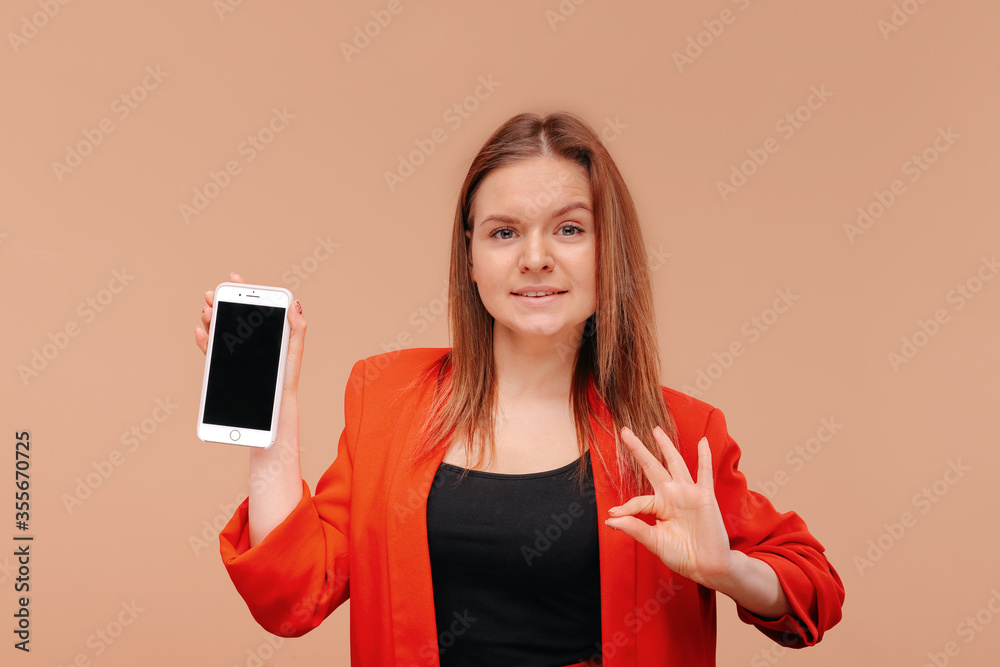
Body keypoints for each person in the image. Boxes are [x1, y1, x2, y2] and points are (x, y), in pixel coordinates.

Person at [195, 111, 845, 666]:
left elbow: (813, 585)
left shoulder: (676, 433)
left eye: (569, 228)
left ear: (607, 251)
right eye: (505, 232)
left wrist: (725, 569)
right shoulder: (385, 399)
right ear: (471, 255)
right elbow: (292, 597)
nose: (535, 257)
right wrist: (273, 421)